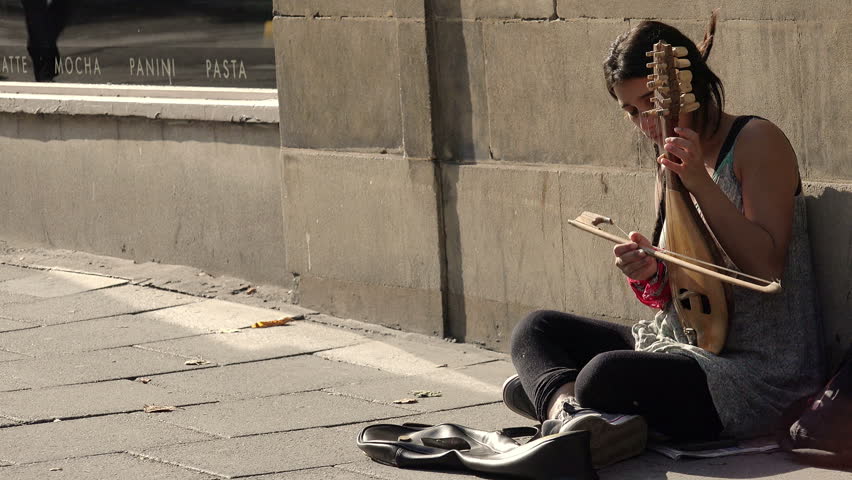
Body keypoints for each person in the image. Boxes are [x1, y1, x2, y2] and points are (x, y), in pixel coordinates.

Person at [503, 12, 826, 469]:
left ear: (683, 88)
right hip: (682, 345)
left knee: (602, 375)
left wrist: (700, 181)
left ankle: (563, 401)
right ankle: (572, 415)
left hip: (756, 374)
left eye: (649, 104)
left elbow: (765, 266)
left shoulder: (757, 141)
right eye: (632, 112)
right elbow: (677, 298)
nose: (644, 124)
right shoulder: (666, 161)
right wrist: (650, 271)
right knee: (536, 329)